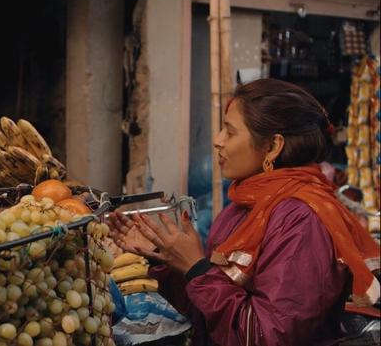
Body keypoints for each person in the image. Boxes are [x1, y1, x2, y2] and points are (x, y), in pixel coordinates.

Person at [107, 79, 380, 345]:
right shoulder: (240, 208)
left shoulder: (301, 220)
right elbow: (209, 318)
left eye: (230, 131)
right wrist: (167, 259)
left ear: (273, 147)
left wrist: (197, 268)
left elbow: (268, 336)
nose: (217, 140)